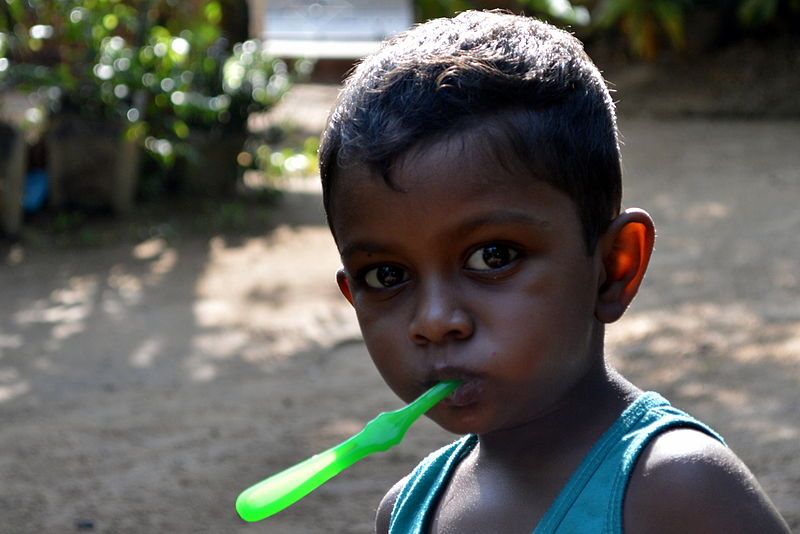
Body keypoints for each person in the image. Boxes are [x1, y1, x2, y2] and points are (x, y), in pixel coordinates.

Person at [317, 10, 790, 533]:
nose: (433, 320)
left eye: (492, 257)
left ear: (614, 267)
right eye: (386, 276)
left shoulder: (677, 491)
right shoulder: (408, 512)